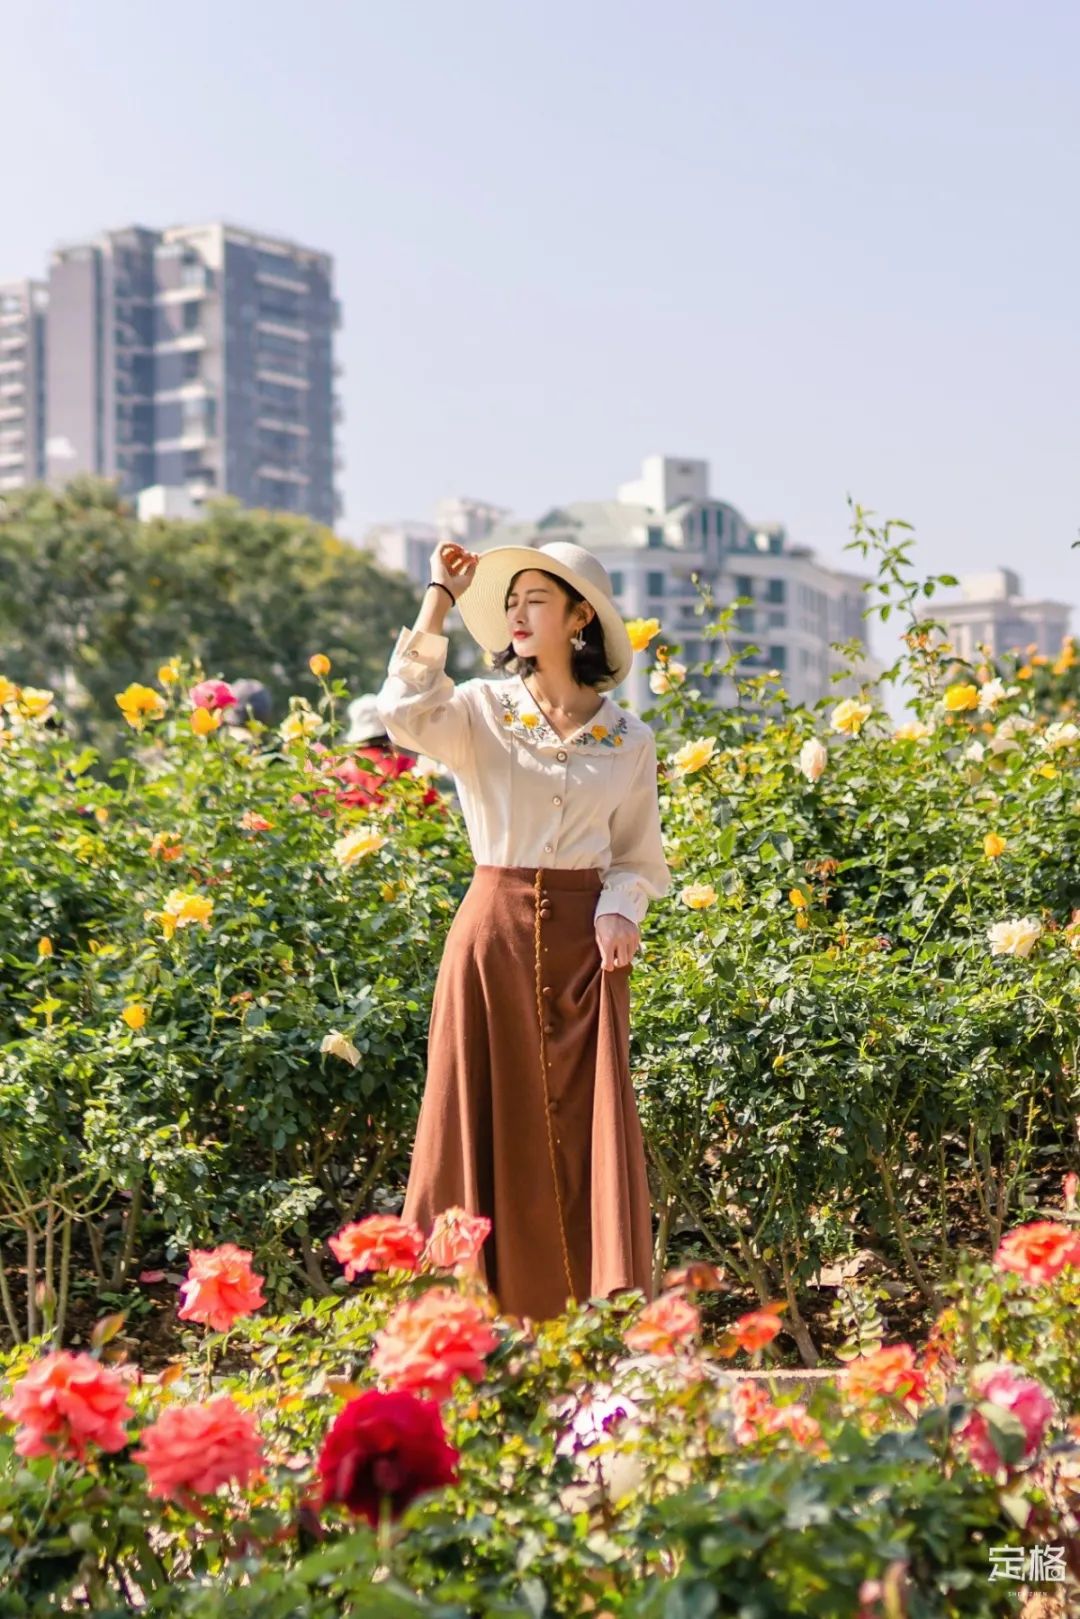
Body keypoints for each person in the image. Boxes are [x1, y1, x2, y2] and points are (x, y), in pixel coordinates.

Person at [376, 538, 670, 1322]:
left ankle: (591, 1327)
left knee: (584, 1139)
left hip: (587, 955)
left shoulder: (629, 739)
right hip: (491, 942)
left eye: (535, 598)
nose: (516, 612)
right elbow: (401, 714)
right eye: (511, 601)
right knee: (472, 1127)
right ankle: (457, 1328)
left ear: (579, 618)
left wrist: (620, 907)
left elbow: (637, 857)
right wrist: (438, 596)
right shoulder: (480, 710)